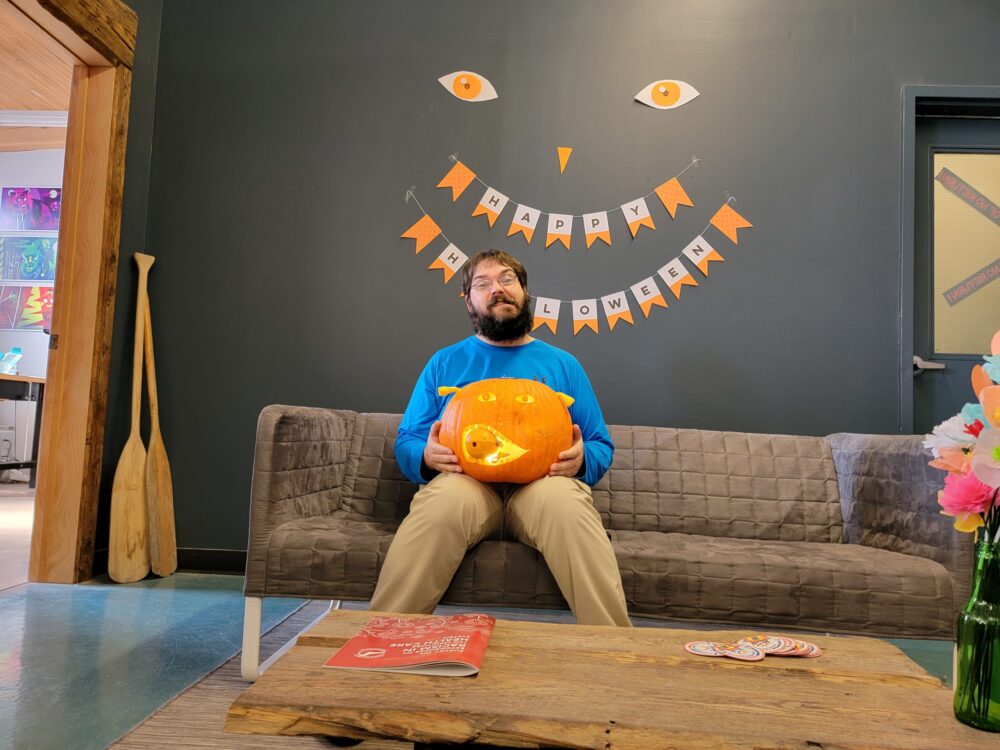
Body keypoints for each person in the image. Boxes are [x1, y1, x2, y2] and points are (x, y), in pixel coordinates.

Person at [369, 249, 631, 626]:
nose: (497, 289)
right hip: (467, 485)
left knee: (566, 505)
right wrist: (426, 455)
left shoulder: (562, 365)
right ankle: (383, 639)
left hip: (542, 487)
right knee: (442, 502)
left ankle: (614, 647)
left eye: (507, 279)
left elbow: (599, 443)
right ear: (468, 300)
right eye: (482, 283)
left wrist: (582, 458)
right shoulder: (445, 362)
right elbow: (408, 438)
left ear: (524, 291)